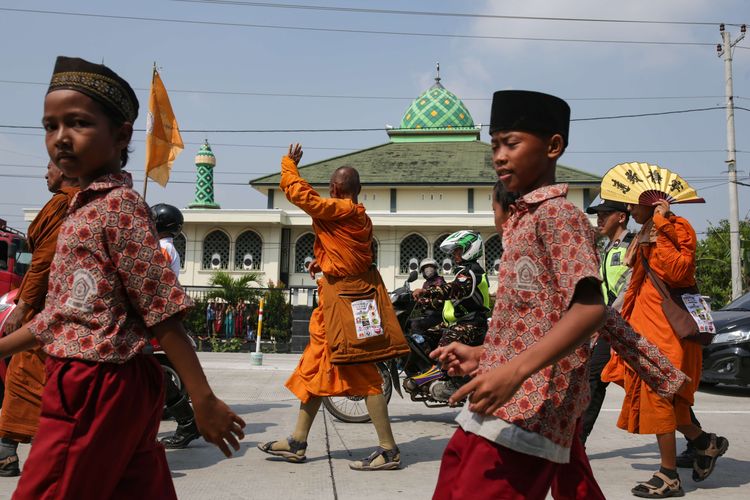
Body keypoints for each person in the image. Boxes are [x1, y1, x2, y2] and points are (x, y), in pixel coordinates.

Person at [0, 56, 244, 499]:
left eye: (77, 123)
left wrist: (202, 398)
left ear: (122, 134)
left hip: (93, 384)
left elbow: (162, 311)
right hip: (112, 382)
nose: (60, 139)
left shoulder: (118, 207)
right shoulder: (82, 209)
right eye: (49, 126)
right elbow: (62, 317)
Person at [430, 90, 607, 500]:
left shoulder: (558, 215)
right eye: (494, 145)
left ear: (553, 147)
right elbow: (534, 317)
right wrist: (484, 356)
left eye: (511, 143)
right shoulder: (524, 222)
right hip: (505, 397)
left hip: (529, 406)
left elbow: (589, 309)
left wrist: (513, 371)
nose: (499, 156)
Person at [257, 143, 401, 470]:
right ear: (359, 189)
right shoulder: (360, 217)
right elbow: (348, 257)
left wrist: (289, 164)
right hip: (341, 299)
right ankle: (297, 441)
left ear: (335, 189)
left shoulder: (341, 210)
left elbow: (301, 196)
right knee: (317, 368)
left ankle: (388, 449)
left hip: (346, 306)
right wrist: (323, 264)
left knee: (362, 370)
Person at [602, 197, 728, 497]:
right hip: (645, 326)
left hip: (667, 330)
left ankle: (669, 475)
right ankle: (705, 442)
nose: (630, 210)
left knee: (661, 396)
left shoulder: (678, 227)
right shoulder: (645, 231)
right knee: (671, 404)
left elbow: (679, 271)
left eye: (634, 205)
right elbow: (635, 271)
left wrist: (661, 222)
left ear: (655, 203)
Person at [0, 161, 79, 477]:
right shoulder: (77, 201)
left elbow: (44, 263)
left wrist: (22, 307)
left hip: (48, 307)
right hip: (63, 305)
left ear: (66, 171)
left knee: (25, 375)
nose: (46, 173)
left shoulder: (65, 203)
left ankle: (7, 451)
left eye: (50, 167)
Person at [405, 230, 491, 400]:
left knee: (447, 343)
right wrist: (420, 300)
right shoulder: (464, 270)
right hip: (461, 321)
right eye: (454, 251)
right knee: (425, 336)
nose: (455, 254)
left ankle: (454, 384)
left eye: (458, 250)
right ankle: (433, 373)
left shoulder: (472, 271)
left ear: (470, 249)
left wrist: (425, 291)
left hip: (473, 323)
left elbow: (452, 290)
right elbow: (445, 299)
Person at [580, 199, 633, 444]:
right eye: (597, 214)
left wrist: (606, 318)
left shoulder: (633, 245)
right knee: (596, 377)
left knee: (653, 385)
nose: (599, 219)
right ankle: (576, 441)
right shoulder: (609, 248)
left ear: (621, 217)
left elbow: (630, 288)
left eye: (604, 214)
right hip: (612, 324)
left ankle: (700, 440)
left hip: (629, 324)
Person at [149, 203, 201, 450]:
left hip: (151, 313)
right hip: (156, 312)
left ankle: (187, 421)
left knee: (144, 367)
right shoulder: (166, 247)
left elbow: (148, 280)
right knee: (147, 369)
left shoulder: (161, 249)